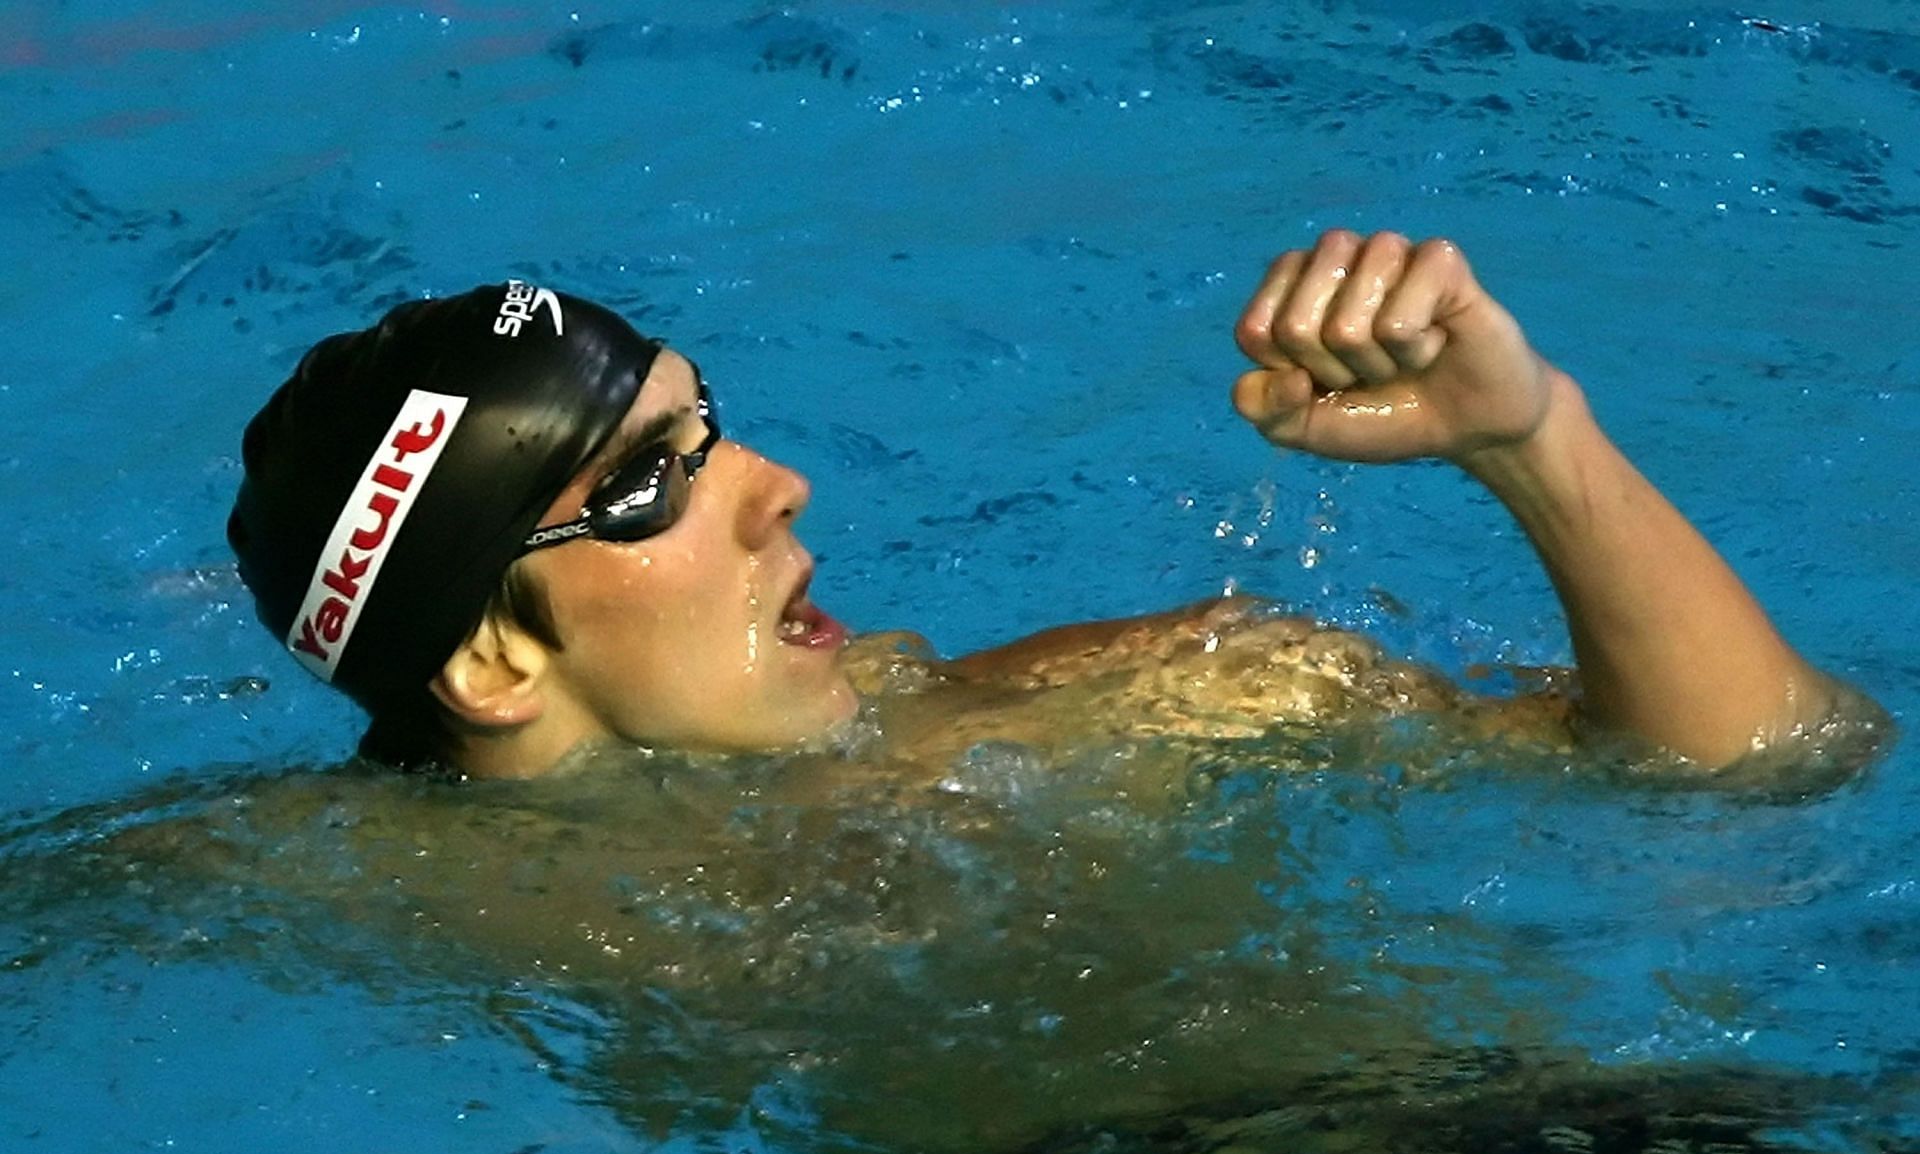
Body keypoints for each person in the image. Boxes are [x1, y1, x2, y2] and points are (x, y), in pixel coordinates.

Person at [228, 230, 1874, 781]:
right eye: (654, 480)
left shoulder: (1079, 719)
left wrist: (1538, 443)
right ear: (494, 658)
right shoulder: (338, 903)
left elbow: (1765, 779)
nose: (774, 484)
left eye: (709, 428)